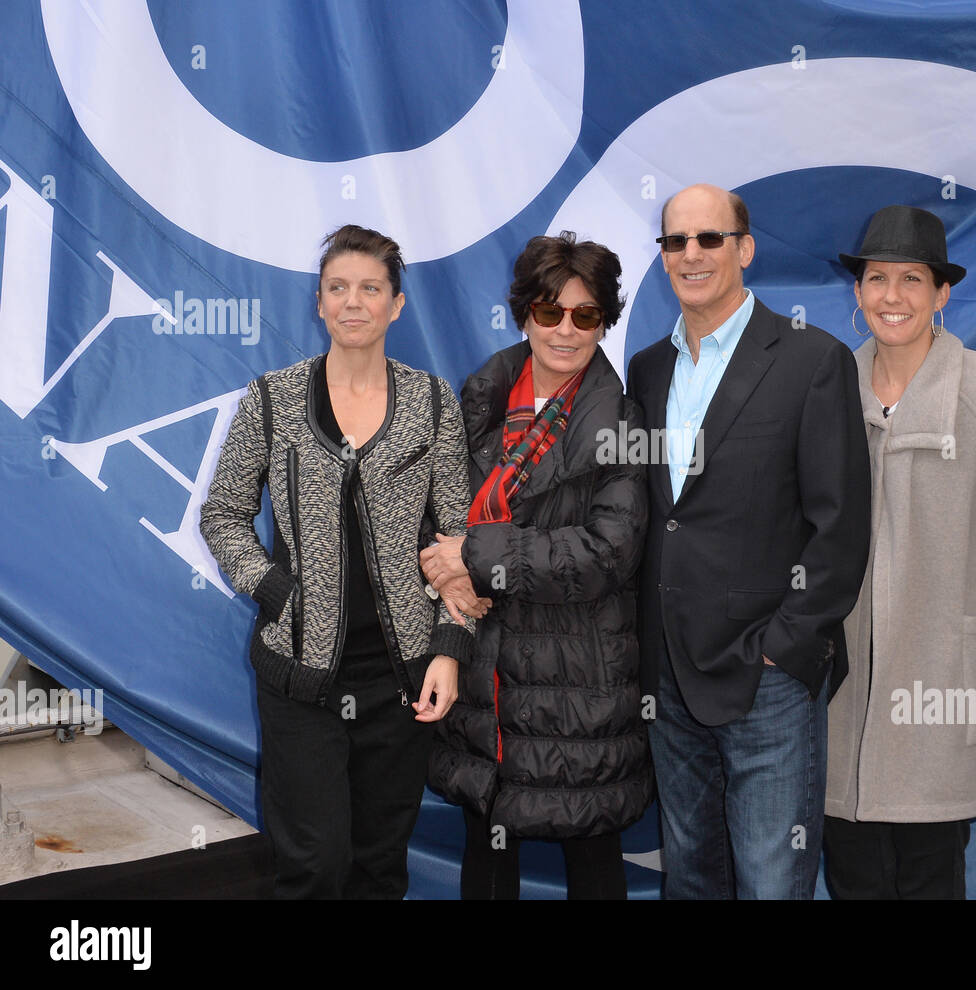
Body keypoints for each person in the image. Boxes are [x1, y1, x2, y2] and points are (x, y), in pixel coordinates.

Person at [199, 224, 476, 898]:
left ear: (396, 305)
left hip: (401, 681)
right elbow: (222, 514)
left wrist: (448, 647)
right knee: (316, 867)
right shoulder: (271, 399)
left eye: (370, 289)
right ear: (320, 303)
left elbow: (462, 537)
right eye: (338, 288)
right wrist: (274, 589)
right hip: (301, 679)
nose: (354, 302)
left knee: (379, 868)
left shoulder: (435, 404)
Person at [625, 183, 870, 899]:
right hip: (669, 676)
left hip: (766, 679)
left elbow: (841, 526)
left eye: (710, 238)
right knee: (692, 875)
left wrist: (782, 647)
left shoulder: (812, 360)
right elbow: (658, 516)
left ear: (745, 249)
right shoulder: (648, 370)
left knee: (770, 881)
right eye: (676, 241)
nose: (691, 254)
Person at [423, 231, 652, 900]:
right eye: (551, 311)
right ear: (525, 311)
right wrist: (451, 571)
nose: (565, 330)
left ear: (604, 321)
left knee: (592, 856)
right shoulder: (480, 401)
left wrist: (474, 555)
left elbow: (607, 553)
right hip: (485, 673)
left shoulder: (623, 421)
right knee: (487, 852)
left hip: (577, 684)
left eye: (585, 315)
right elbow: (437, 523)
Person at [822, 205, 976, 899]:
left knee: (930, 874)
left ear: (942, 293)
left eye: (912, 279)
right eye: (877, 279)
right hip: (840, 694)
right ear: (857, 292)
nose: (891, 297)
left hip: (939, 689)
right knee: (852, 870)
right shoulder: (825, 392)